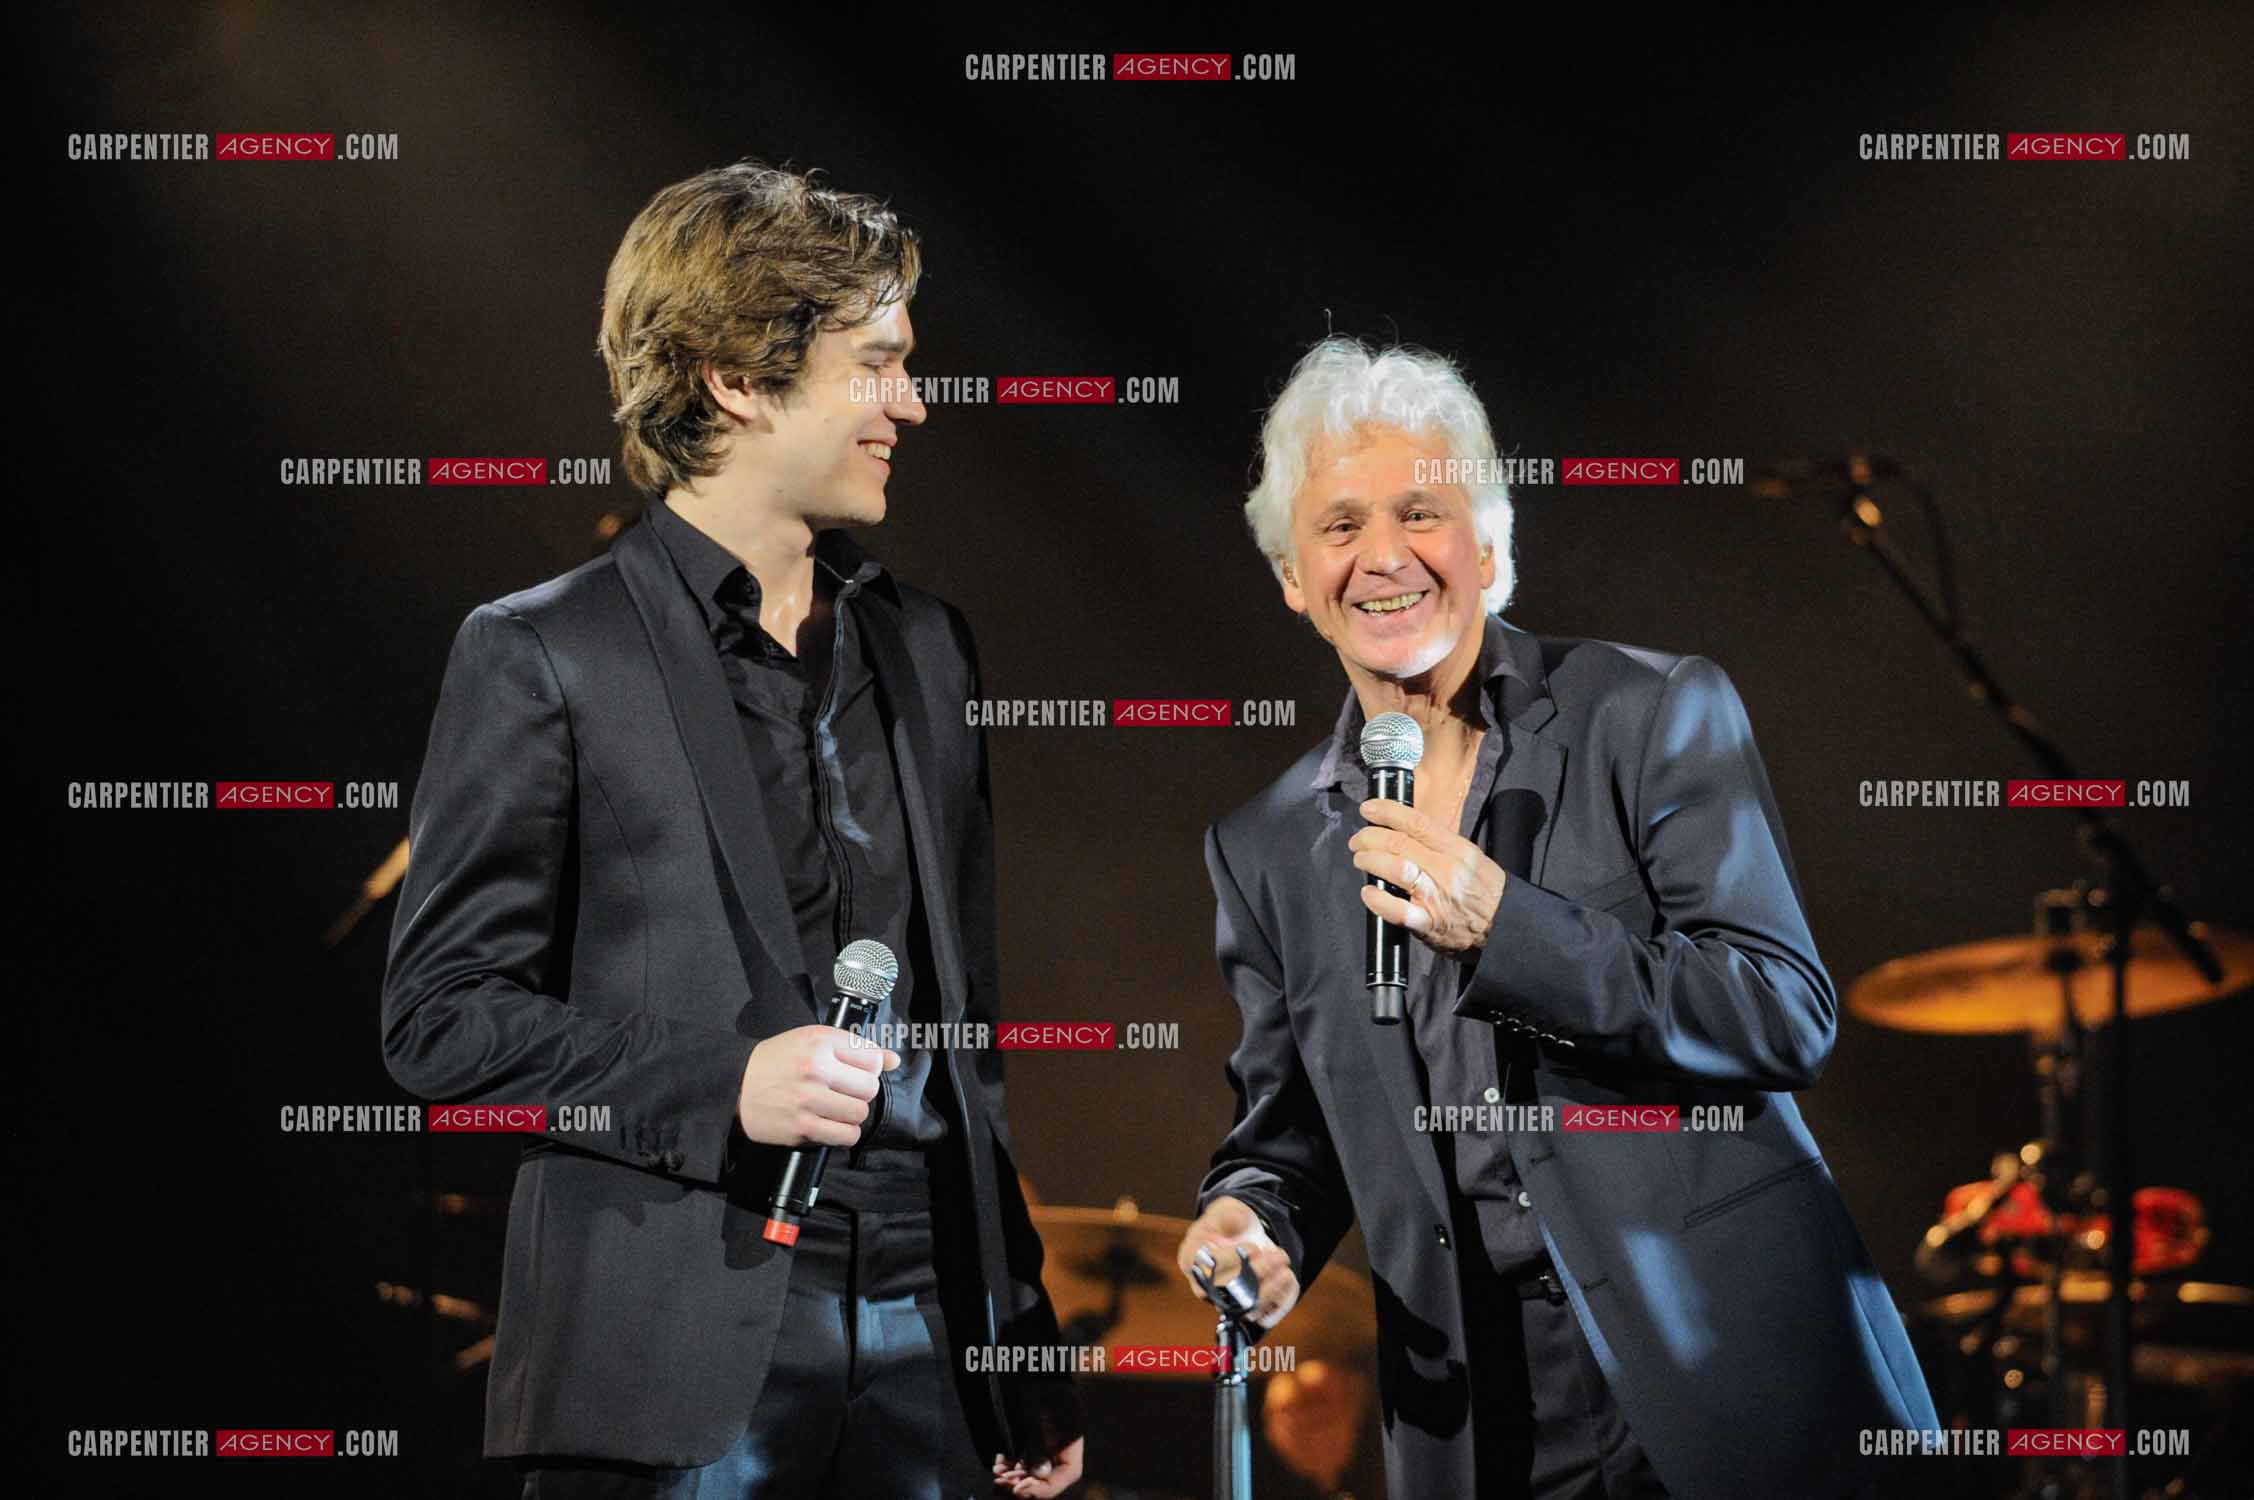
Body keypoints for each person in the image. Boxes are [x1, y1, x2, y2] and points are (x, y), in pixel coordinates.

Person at [382, 159, 1083, 1499]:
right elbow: (438, 1018)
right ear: (740, 379)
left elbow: (963, 1036)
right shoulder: (543, 652)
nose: (913, 403)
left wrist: (1017, 1342)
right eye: (874, 363)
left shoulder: (926, 646)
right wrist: (725, 1087)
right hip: (667, 1362)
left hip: (927, 1349)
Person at [1173, 337, 1936, 1499]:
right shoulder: (1266, 844)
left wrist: (1505, 923)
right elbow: (1293, 1128)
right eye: (1337, 527)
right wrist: (1251, 1214)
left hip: (1721, 1368)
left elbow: (1781, 1013)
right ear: (1290, 574)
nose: (1382, 557)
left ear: (1488, 545)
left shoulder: (1649, 712)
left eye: (1419, 512)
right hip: (1482, 1419)